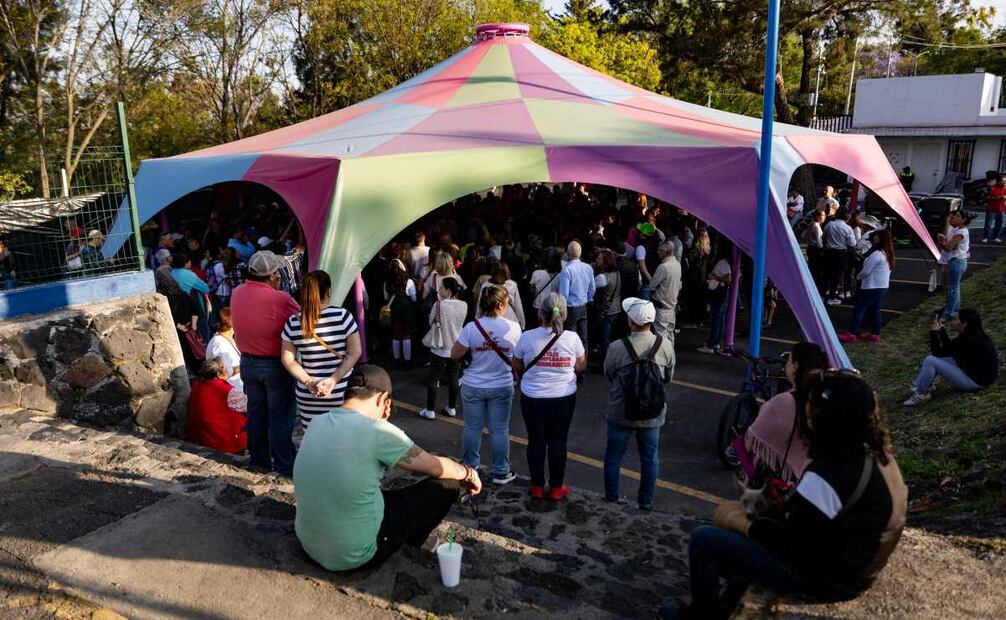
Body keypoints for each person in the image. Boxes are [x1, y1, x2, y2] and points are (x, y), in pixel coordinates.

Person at [660, 372, 907, 620]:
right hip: (853, 570)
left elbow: (791, 545)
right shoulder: (877, 456)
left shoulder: (831, 472)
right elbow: (810, 521)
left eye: (810, 413)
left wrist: (747, 525)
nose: (806, 418)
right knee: (740, 543)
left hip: (828, 581)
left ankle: (700, 615)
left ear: (828, 418)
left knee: (704, 540)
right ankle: (726, 608)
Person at [293, 365, 482, 572]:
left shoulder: (317, 422)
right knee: (449, 484)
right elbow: (435, 467)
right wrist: (468, 473)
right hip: (355, 555)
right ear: (382, 399)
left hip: (309, 544)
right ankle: (414, 541)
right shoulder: (378, 430)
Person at [230, 251, 300, 476]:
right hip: (274, 364)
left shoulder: (237, 292)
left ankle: (259, 462)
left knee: (256, 415)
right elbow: (300, 322)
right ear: (272, 275)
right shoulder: (281, 299)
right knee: (280, 417)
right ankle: (284, 466)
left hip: (247, 362)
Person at [512, 293, 586, 500]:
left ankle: (536, 486)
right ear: (564, 314)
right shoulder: (573, 338)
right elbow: (581, 365)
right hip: (563, 397)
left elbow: (516, 364)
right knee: (558, 441)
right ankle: (556, 487)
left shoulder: (527, 337)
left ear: (540, 314)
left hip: (532, 397)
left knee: (536, 440)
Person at [603, 298, 675, 511]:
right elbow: (668, 376)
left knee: (614, 455)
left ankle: (612, 499)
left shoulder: (616, 347)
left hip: (621, 410)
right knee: (650, 458)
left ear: (631, 322)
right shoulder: (665, 345)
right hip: (653, 412)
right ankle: (645, 502)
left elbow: (609, 374)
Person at [451, 284, 522, 486]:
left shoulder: (471, 328)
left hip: (473, 384)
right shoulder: (514, 328)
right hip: (502, 384)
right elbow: (519, 359)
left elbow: (455, 354)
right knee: (499, 429)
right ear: (500, 305)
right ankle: (501, 471)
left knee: (472, 428)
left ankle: (470, 468)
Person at [281, 270, 362, 430]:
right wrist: (333, 380)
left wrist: (309, 382)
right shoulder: (343, 316)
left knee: (313, 437)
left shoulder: (293, 321)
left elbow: (287, 360)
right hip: (341, 390)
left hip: (308, 394)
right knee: (342, 437)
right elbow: (355, 352)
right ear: (329, 291)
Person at [741, 342, 828, 481]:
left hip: (784, 478)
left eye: (789, 360)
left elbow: (753, 438)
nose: (786, 364)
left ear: (795, 366)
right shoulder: (826, 398)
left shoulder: (785, 401)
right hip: (815, 475)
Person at [904, 308, 999, 406]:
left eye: (956, 319)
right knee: (937, 360)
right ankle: (920, 385)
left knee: (930, 360)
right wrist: (942, 332)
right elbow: (949, 350)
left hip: (975, 382)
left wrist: (933, 333)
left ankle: (922, 393)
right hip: (978, 375)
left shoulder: (969, 341)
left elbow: (938, 353)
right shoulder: (972, 335)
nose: (953, 321)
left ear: (964, 324)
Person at [420, 278, 467, 420]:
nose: (439, 289)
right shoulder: (464, 305)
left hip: (439, 346)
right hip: (456, 346)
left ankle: (430, 410)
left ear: (448, 290)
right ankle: (451, 408)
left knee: (434, 378)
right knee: (453, 377)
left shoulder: (439, 304)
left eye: (441, 287)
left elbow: (431, 320)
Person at [838, 229, 894, 344]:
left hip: (871, 286)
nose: (873, 239)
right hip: (882, 286)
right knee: (875, 309)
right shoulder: (886, 253)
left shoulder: (876, 254)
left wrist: (857, 277)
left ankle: (852, 333)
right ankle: (875, 333)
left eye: (875, 237)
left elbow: (866, 271)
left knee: (859, 309)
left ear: (880, 239)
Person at [187, 358, 248, 454]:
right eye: (225, 369)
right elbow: (247, 406)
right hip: (223, 441)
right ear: (219, 374)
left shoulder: (197, 384)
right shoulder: (224, 389)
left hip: (201, 436)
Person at [557, 240, 596, 351]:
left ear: (567, 253)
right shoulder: (588, 267)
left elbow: (563, 294)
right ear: (580, 252)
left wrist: (560, 310)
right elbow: (592, 288)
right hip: (583, 306)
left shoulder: (566, 270)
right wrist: (586, 298)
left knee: (570, 339)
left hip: (570, 308)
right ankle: (584, 360)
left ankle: (573, 360)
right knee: (583, 338)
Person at [936, 210, 972, 321]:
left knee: (952, 289)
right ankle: (953, 309)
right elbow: (951, 244)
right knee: (955, 288)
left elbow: (949, 247)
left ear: (963, 220)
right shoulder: (957, 230)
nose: (951, 220)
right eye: (951, 217)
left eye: (955, 217)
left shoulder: (961, 232)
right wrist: (945, 240)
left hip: (957, 262)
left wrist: (942, 243)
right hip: (958, 261)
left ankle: (949, 313)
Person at [697, 242, 732, 355]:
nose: (714, 248)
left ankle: (711, 344)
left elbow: (728, 278)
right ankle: (715, 343)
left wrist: (715, 277)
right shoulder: (726, 262)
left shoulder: (722, 262)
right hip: (723, 293)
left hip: (718, 292)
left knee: (716, 318)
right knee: (720, 318)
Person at [475, 259, 525, 329]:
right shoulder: (511, 285)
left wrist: (478, 320)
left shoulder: (486, 285)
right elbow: (518, 306)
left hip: (490, 322)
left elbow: (480, 306)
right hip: (510, 321)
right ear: (506, 271)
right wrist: (522, 324)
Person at [384, 258, 416, 367]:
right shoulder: (409, 282)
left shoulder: (387, 282)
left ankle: (397, 361)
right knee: (406, 335)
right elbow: (414, 298)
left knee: (396, 335)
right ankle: (407, 361)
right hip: (407, 311)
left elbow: (386, 297)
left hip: (393, 311)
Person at [822, 206, 856, 305]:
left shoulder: (829, 225)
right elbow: (852, 243)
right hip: (840, 253)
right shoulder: (848, 228)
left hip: (828, 252)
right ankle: (832, 297)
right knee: (837, 276)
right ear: (847, 217)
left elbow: (823, 237)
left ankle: (823, 295)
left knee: (827, 274)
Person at [650, 239, 682, 343]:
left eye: (660, 250)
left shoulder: (663, 267)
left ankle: (663, 353)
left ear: (665, 252)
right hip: (671, 306)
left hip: (662, 307)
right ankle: (670, 353)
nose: (657, 252)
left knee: (661, 336)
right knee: (670, 334)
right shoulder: (677, 264)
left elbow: (652, 285)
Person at [593, 249, 622, 361]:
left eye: (599, 259)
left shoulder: (603, 277)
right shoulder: (617, 273)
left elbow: (590, 286)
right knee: (610, 337)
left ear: (605, 262)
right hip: (617, 308)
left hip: (606, 310)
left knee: (604, 338)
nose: (597, 260)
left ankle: (606, 361)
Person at [205, 307, 242, 388]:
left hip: (237, 385)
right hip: (232, 388)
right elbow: (224, 374)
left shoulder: (226, 338)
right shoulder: (219, 345)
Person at [802, 209, 827, 290]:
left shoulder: (812, 224)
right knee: (815, 269)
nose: (824, 217)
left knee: (812, 267)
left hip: (810, 248)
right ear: (817, 217)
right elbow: (819, 242)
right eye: (822, 215)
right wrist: (823, 249)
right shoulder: (816, 227)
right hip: (815, 250)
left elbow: (803, 235)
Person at [981, 174, 1005, 243]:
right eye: (1002, 181)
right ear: (998, 181)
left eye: (1004, 181)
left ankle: (995, 237)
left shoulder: (1005, 188)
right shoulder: (991, 188)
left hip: (1001, 209)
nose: (1004, 182)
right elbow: (986, 197)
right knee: (988, 224)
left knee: (999, 223)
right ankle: (985, 237)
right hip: (991, 209)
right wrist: (997, 198)